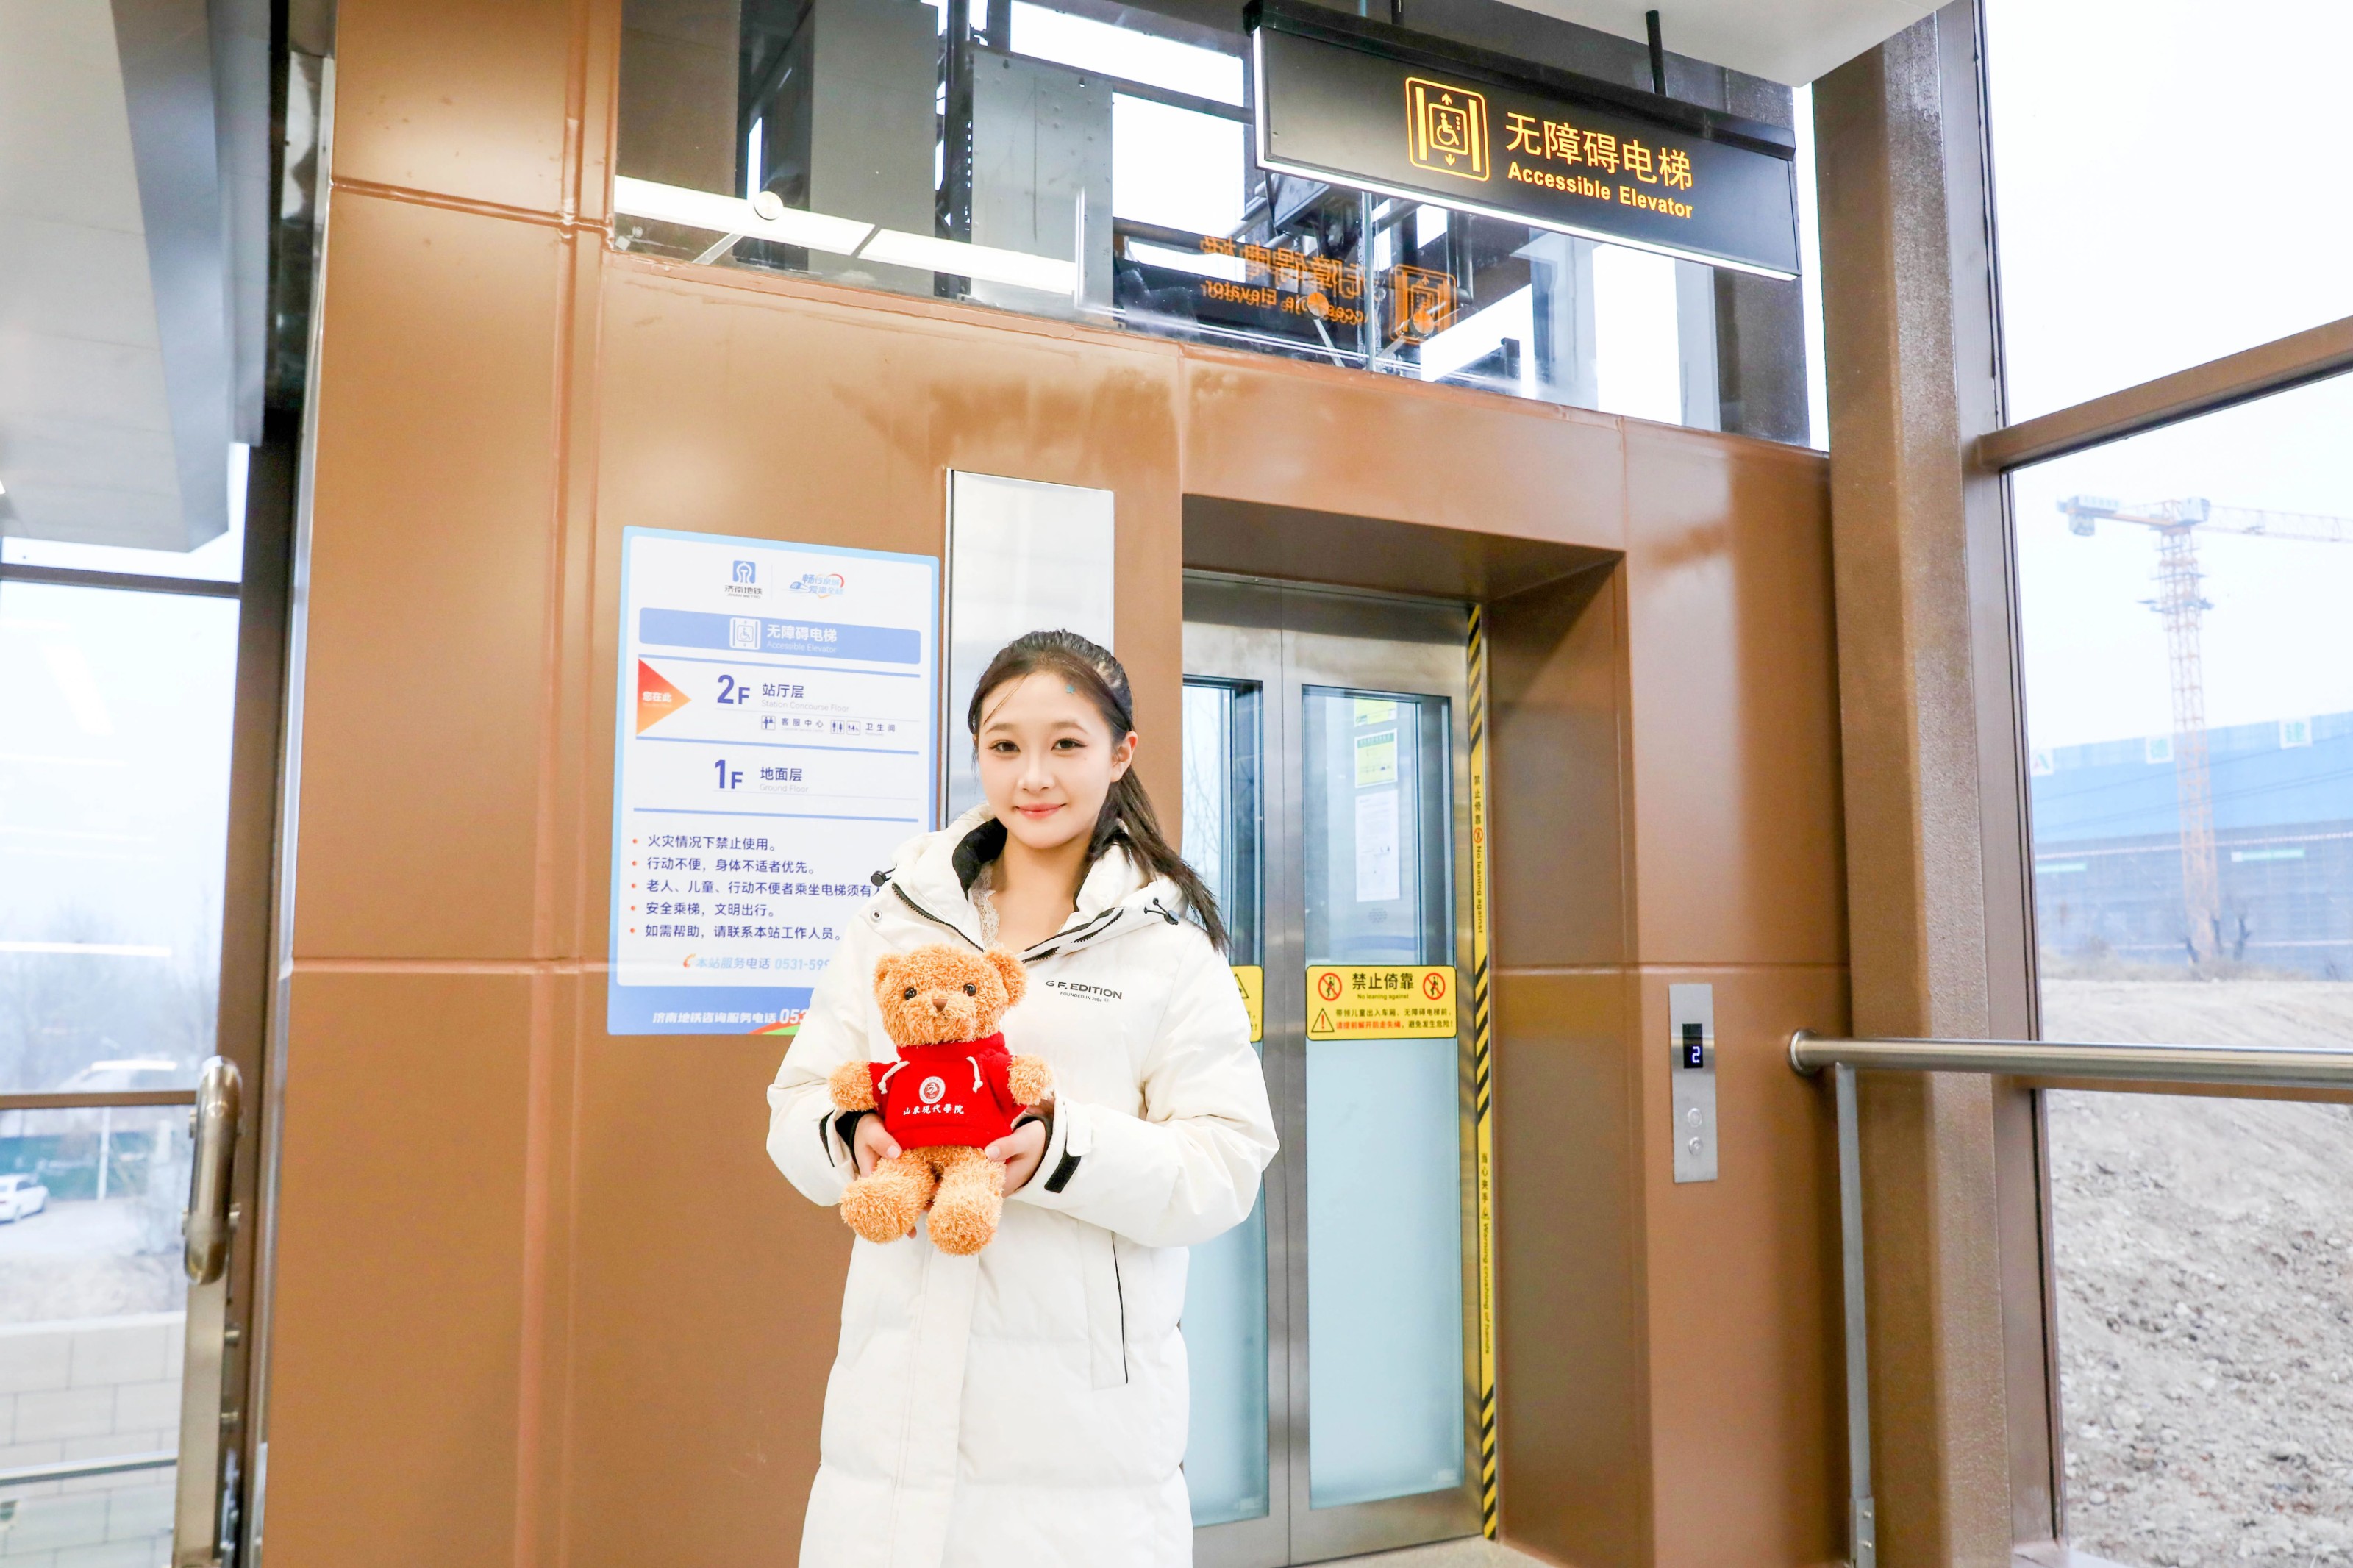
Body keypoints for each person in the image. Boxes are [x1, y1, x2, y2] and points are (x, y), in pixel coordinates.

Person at [766, 629, 1276, 1568]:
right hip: (894, 1411)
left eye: (1066, 744)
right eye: (1004, 745)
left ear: (1120, 754)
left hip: (1080, 1431)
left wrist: (1059, 1151)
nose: (1032, 776)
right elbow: (797, 1101)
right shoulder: (893, 922)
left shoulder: (1166, 950)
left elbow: (1226, 1163)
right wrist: (854, 1136)